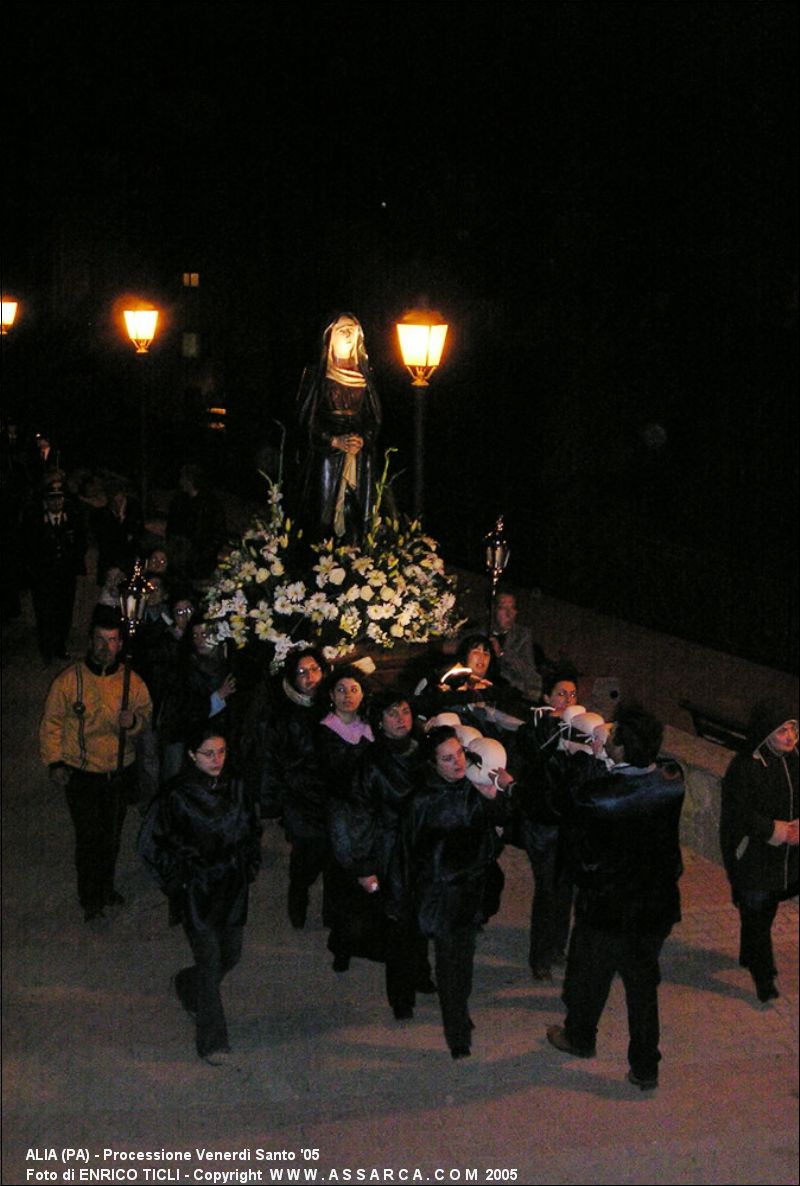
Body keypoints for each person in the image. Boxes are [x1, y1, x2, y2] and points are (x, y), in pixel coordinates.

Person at [546, 705, 685, 1091]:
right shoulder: (672, 781)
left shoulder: (600, 797)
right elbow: (657, 769)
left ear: (623, 748)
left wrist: (589, 763)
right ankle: (645, 1066)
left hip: (608, 908)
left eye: (614, 736)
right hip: (654, 906)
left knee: (589, 976)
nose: (606, 738)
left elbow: (574, 823)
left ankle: (579, 1036)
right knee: (642, 987)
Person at [138, 725, 262, 1064]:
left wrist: (250, 864)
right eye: (208, 753)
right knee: (209, 963)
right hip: (198, 889)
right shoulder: (176, 795)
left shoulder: (236, 786)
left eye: (221, 752)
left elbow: (252, 827)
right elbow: (150, 844)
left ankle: (187, 985)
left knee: (230, 955)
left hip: (232, 886)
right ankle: (212, 1041)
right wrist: (178, 878)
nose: (216, 759)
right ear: (192, 755)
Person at [393, 726, 513, 1058]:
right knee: (448, 963)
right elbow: (406, 850)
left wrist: (497, 797)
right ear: (434, 764)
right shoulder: (421, 800)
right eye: (447, 758)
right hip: (440, 894)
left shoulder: (473, 788)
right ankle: (457, 1032)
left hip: (472, 890)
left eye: (459, 753)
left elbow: (501, 826)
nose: (457, 762)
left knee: (465, 959)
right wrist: (402, 895)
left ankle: (460, 1010)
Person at [39, 606, 152, 921]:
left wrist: (132, 723)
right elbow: (52, 724)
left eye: (112, 640)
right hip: (82, 772)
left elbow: (145, 715)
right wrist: (55, 762)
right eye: (100, 640)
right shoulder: (69, 681)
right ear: (90, 641)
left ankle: (106, 886)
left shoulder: (132, 681)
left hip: (118, 770)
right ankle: (90, 896)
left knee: (111, 836)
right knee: (89, 837)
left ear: (120, 644)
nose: (106, 647)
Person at [328, 688, 434, 1014]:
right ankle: (402, 997)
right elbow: (359, 816)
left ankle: (420, 972)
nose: (400, 719)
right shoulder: (372, 762)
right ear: (380, 722)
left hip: (422, 846)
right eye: (392, 713)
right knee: (398, 923)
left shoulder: (424, 753)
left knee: (420, 915)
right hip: (389, 850)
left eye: (404, 711)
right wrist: (364, 865)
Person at [720, 699, 798, 1002]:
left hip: (782, 856)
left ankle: (749, 954)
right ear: (766, 734)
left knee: (763, 911)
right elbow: (740, 814)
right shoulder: (746, 766)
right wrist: (775, 830)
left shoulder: (794, 759)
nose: (789, 736)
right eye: (782, 731)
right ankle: (764, 978)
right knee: (757, 914)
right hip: (752, 854)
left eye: (792, 728)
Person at [251, 647, 329, 928]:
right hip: (298, 797)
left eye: (315, 670)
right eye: (301, 672)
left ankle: (332, 912)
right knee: (307, 851)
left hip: (329, 794)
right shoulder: (281, 713)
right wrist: (270, 801)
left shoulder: (334, 705)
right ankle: (299, 893)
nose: (310, 678)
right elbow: (270, 758)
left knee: (332, 853)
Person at [510, 667, 580, 979]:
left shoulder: (578, 730)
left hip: (567, 824)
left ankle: (556, 948)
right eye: (561, 693)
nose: (568, 699)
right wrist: (554, 728)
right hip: (541, 823)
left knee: (565, 889)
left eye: (573, 694)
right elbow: (536, 758)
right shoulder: (533, 728)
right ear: (547, 697)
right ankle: (540, 956)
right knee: (548, 889)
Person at [297, 313, 382, 543]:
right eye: (342, 329)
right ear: (330, 336)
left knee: (356, 515)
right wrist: (332, 440)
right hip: (327, 457)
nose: (348, 334)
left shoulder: (365, 375)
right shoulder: (317, 375)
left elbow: (374, 418)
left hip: (358, 456)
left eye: (353, 329)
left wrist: (363, 439)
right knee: (324, 515)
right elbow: (305, 417)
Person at [318, 666, 375, 971]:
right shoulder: (326, 730)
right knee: (345, 878)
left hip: (369, 815)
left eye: (353, 689)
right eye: (341, 690)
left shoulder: (370, 725)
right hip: (343, 813)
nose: (347, 696)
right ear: (330, 695)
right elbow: (337, 775)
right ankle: (342, 947)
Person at [24, 475, 87, 664]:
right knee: (44, 613)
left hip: (65, 576)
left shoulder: (72, 519)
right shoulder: (35, 521)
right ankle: (46, 648)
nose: (57, 502)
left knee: (64, 611)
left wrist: (73, 562)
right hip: (44, 577)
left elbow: (81, 542)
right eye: (52, 498)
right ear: (46, 501)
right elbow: (27, 548)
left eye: (59, 498)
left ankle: (60, 645)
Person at [490, 590, 543, 703]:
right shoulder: (480, 631)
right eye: (503, 608)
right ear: (493, 610)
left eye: (512, 608)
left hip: (511, 694)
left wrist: (502, 653)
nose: (509, 614)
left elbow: (528, 670)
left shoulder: (522, 635)